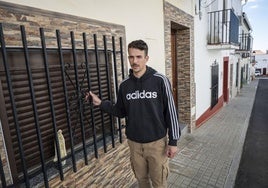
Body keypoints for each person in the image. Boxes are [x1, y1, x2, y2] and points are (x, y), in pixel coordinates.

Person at [86, 39, 180, 188]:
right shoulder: (124, 85)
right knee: (142, 181)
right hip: (134, 145)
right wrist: (100, 103)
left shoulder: (160, 80)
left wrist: (173, 141)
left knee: (159, 183)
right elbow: (120, 111)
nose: (134, 61)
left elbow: (171, 112)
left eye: (138, 57)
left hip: (156, 144)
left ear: (146, 58)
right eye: (131, 57)